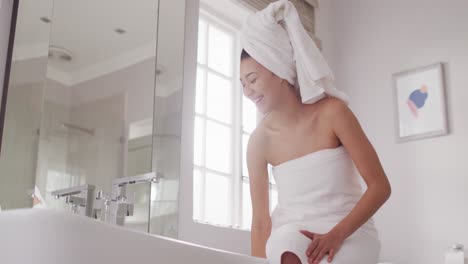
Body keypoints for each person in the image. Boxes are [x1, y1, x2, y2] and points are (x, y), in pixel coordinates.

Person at [239, 1, 391, 264]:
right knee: (285, 250)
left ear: (280, 71)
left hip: (349, 229)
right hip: (293, 229)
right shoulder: (259, 141)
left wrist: (336, 234)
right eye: (242, 83)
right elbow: (261, 222)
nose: (247, 91)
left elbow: (380, 187)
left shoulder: (333, 113)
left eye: (252, 79)